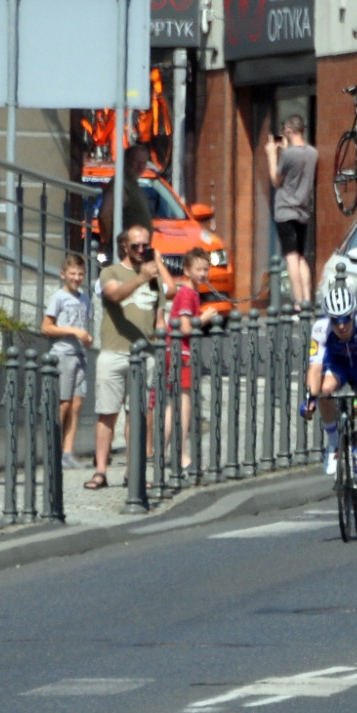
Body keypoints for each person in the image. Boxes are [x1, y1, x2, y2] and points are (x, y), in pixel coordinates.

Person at [85, 224, 167, 491]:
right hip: (114, 351)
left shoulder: (154, 277)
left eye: (146, 245)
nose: (142, 250)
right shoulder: (111, 271)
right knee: (107, 413)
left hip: (145, 355)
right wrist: (141, 277)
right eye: (136, 246)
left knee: (138, 415)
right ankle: (100, 471)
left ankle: (134, 472)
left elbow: (159, 317)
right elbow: (114, 295)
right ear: (124, 246)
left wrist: (163, 340)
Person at [302, 287, 357, 525]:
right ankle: (333, 443)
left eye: (345, 319)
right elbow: (315, 369)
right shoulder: (320, 329)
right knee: (322, 391)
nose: (341, 325)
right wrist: (310, 399)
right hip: (337, 367)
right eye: (335, 320)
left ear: (353, 314)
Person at [165, 246, 218, 474]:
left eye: (206, 269)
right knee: (182, 404)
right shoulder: (187, 294)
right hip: (181, 352)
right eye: (198, 269)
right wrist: (204, 319)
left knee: (176, 403)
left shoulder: (191, 292)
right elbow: (185, 326)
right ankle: (180, 454)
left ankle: (163, 450)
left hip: (179, 351)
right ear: (187, 270)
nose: (203, 274)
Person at [41, 253, 93, 470]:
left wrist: (86, 338)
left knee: (76, 403)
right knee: (63, 404)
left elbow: (84, 325)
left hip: (79, 355)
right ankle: (52, 449)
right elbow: (46, 327)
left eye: (80, 274)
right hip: (62, 353)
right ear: (64, 274)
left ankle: (67, 452)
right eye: (72, 273)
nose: (77, 278)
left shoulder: (85, 298)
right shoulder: (59, 297)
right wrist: (73, 331)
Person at [265, 114, 317, 308]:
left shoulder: (287, 155)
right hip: (303, 211)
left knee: (291, 256)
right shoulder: (312, 153)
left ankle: (298, 301)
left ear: (288, 130)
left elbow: (276, 180)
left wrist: (272, 154)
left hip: (285, 210)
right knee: (301, 256)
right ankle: (307, 299)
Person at [97, 143, 154, 264]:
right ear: (126, 161)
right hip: (126, 255)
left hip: (138, 253)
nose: (140, 167)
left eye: (143, 163)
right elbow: (104, 214)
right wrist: (109, 241)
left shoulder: (133, 184)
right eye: (136, 162)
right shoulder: (121, 184)